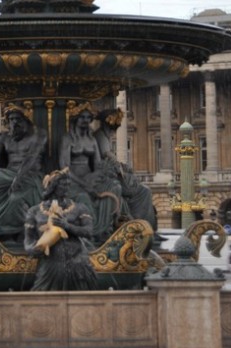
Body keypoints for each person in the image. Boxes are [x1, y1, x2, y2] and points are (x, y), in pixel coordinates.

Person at [0, 105, 48, 242]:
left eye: (18, 119)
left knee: (15, 199)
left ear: (26, 120)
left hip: (30, 174)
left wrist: (18, 179)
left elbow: (31, 159)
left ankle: (12, 234)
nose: (14, 123)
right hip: (7, 174)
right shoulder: (5, 137)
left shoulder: (39, 135)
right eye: (11, 120)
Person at [58, 102, 123, 245]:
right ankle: (91, 233)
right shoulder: (67, 139)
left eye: (88, 117)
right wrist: (84, 184)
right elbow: (64, 167)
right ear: (76, 119)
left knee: (115, 187)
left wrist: (97, 177)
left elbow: (98, 164)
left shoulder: (92, 140)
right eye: (83, 117)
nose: (86, 120)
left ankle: (106, 230)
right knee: (83, 196)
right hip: (72, 180)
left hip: (89, 177)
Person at [24, 168, 97, 291]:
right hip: (50, 263)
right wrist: (32, 249)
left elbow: (89, 231)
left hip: (77, 262)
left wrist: (67, 226)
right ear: (53, 186)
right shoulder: (34, 211)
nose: (67, 188)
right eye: (64, 185)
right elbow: (28, 239)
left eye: (69, 184)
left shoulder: (79, 208)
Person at [94, 107, 158, 232]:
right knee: (145, 192)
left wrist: (122, 166)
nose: (113, 131)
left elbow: (110, 158)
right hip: (105, 177)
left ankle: (145, 227)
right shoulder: (100, 136)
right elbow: (108, 156)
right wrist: (120, 166)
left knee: (145, 190)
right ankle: (142, 227)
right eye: (113, 127)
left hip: (111, 176)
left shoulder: (103, 136)